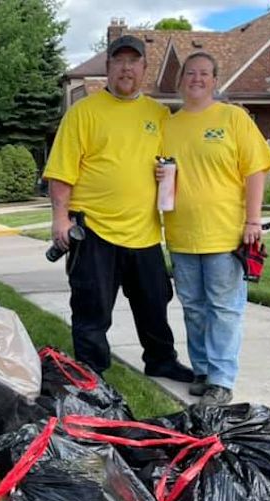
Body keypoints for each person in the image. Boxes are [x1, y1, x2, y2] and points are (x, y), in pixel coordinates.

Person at [43, 35, 193, 382]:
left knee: (155, 304)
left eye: (133, 62)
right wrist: (59, 219)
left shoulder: (158, 114)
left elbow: (172, 164)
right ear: (108, 67)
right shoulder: (83, 113)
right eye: (119, 61)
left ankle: (161, 361)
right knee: (92, 309)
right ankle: (91, 374)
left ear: (144, 68)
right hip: (94, 230)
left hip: (144, 232)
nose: (127, 68)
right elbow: (61, 171)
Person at [158, 52, 270, 405]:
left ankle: (221, 379)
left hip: (225, 233)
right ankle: (204, 371)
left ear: (215, 80)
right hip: (181, 234)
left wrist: (253, 220)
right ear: (180, 80)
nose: (197, 78)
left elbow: (256, 169)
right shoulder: (168, 125)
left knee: (224, 308)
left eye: (205, 73)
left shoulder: (233, 118)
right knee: (194, 307)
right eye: (190, 73)